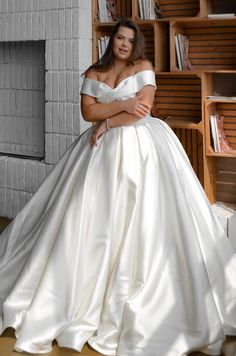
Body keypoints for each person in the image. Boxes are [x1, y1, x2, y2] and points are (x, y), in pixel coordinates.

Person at [0, 18, 236, 356]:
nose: (124, 44)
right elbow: (87, 112)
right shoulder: (94, 73)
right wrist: (122, 105)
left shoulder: (143, 66)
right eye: (119, 38)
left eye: (129, 39)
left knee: (145, 219)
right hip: (98, 151)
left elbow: (144, 111)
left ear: (135, 43)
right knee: (85, 221)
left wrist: (109, 118)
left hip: (143, 148)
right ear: (111, 41)